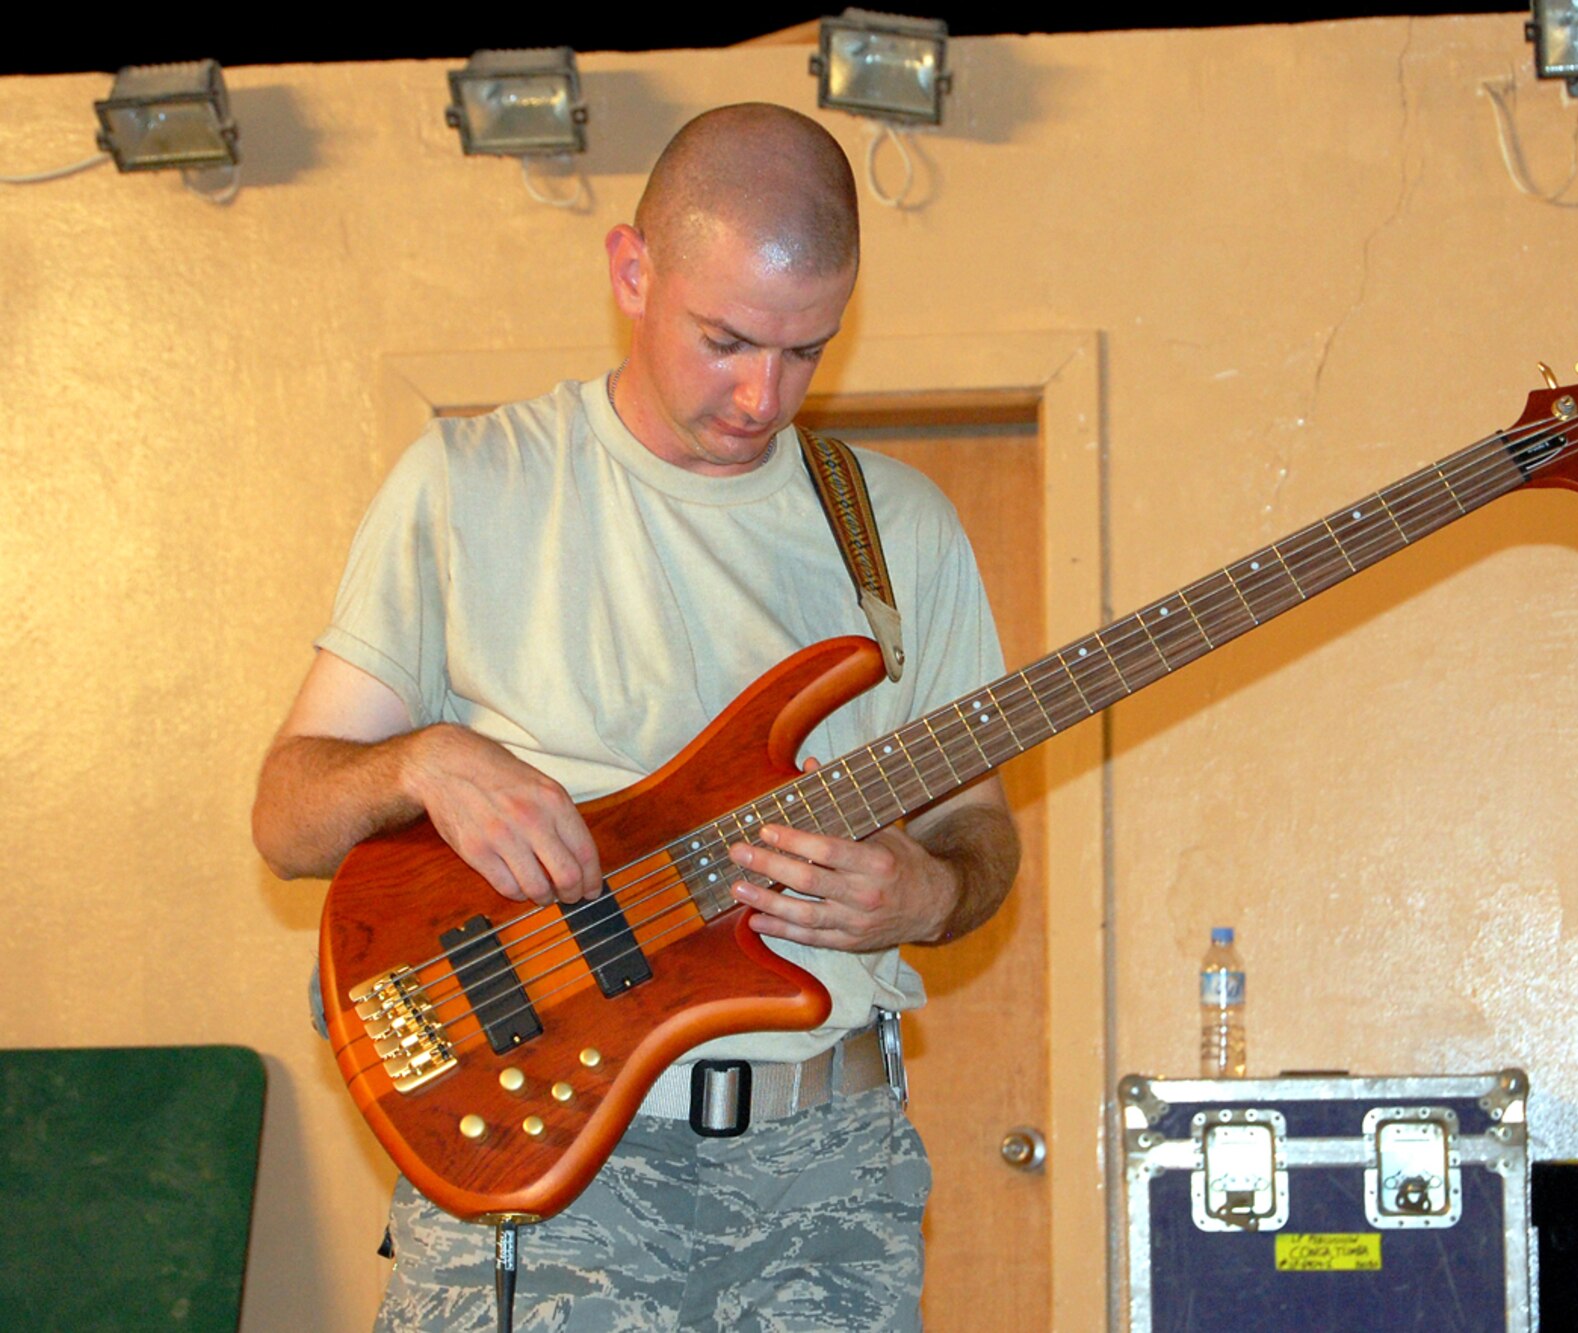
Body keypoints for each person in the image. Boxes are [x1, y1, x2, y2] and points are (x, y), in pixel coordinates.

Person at [252, 102, 1020, 1330]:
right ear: (631, 269)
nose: (762, 395)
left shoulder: (897, 526)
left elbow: (980, 833)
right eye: (725, 339)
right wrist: (426, 760)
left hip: (827, 1175)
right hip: (544, 1159)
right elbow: (288, 813)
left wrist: (924, 894)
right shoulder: (471, 482)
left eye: (806, 351)